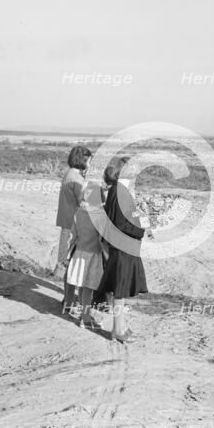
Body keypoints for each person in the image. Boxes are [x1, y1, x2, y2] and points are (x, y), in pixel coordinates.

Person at [98, 156, 148, 343]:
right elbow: (121, 223)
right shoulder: (121, 192)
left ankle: (120, 328)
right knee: (119, 291)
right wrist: (141, 229)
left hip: (121, 247)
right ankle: (118, 330)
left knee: (120, 290)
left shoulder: (118, 190)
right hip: (123, 247)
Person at [63, 182, 108, 328]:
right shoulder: (100, 216)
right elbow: (102, 239)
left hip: (79, 252)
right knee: (88, 288)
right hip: (93, 255)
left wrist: (68, 253)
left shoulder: (78, 212)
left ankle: (84, 314)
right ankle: (86, 319)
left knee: (82, 287)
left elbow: (73, 235)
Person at [55, 145, 92, 307]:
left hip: (67, 223)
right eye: (89, 160)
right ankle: (69, 301)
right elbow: (83, 203)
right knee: (72, 263)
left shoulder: (70, 174)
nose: (90, 164)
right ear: (82, 160)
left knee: (68, 261)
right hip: (74, 225)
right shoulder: (77, 179)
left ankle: (67, 299)